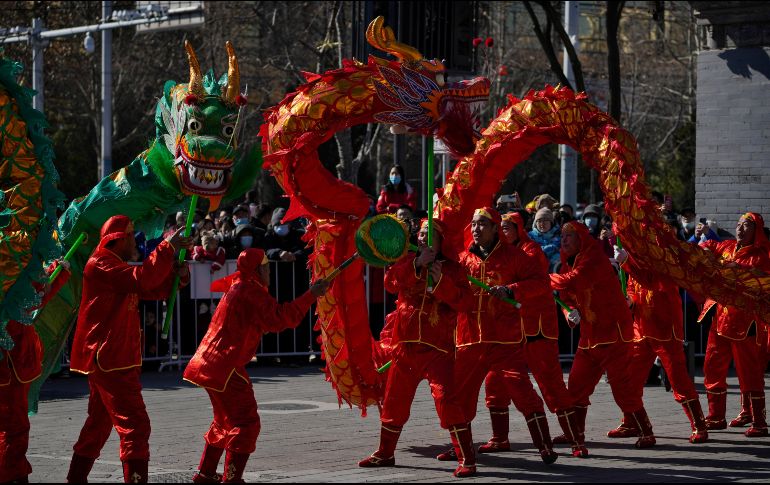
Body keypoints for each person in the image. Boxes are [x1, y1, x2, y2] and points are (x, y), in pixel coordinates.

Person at [432, 207, 558, 477]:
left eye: (482, 224)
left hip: (504, 342)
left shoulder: (515, 256)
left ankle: (545, 446)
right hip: (469, 341)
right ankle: (464, 455)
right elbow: (451, 292)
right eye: (473, 225)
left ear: (494, 228)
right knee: (459, 399)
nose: (476, 229)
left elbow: (540, 282)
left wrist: (511, 290)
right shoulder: (463, 259)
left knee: (523, 391)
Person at [183, 248, 329, 483]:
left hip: (209, 363)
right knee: (246, 423)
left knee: (225, 420)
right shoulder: (250, 290)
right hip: (225, 366)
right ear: (259, 269)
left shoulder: (240, 285)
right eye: (268, 267)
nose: (270, 271)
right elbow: (281, 318)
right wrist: (311, 295)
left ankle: (205, 474)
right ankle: (231, 479)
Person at [66, 215, 192, 483]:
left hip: (115, 356)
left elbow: (151, 288)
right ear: (118, 239)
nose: (135, 241)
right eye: (131, 236)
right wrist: (167, 248)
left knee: (97, 426)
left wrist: (178, 276)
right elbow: (142, 279)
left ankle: (75, 480)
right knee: (135, 426)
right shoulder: (100, 263)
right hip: (110, 357)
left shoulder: (115, 265)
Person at [358, 219, 467, 469]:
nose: (423, 239)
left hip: (437, 348)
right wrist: (418, 264)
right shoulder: (407, 261)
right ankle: (385, 453)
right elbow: (390, 283)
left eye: (430, 235)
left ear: (441, 241)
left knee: (446, 399)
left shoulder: (453, 269)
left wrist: (441, 282)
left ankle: (466, 457)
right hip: (405, 346)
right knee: (394, 399)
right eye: (421, 234)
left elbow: (464, 303)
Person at [479, 212, 588, 457]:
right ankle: (499, 438)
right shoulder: (499, 254)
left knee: (551, 385)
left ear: (519, 229)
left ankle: (576, 440)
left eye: (508, 227)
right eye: (501, 227)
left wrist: (509, 289)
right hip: (510, 332)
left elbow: (538, 285)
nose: (503, 232)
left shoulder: (529, 251)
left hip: (537, 328)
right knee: (495, 382)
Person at [550, 221, 656, 450]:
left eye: (570, 235)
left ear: (581, 238)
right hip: (589, 337)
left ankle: (646, 431)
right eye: (562, 236)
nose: (564, 240)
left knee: (623, 389)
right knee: (576, 388)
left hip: (614, 335)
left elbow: (573, 281)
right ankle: (575, 434)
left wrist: (541, 279)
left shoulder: (593, 258)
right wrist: (569, 312)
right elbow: (566, 298)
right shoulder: (570, 264)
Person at [611, 245, 709, 443]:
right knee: (630, 379)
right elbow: (633, 287)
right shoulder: (634, 259)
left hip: (665, 328)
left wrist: (626, 262)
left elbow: (654, 282)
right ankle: (631, 422)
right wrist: (629, 300)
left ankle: (699, 425)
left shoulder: (664, 257)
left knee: (678, 379)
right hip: (641, 328)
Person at [698, 212, 770, 437]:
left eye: (746, 226)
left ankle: (759, 421)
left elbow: (760, 282)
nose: (740, 229)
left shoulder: (761, 256)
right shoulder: (727, 246)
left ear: (756, 231)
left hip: (744, 323)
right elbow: (708, 245)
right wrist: (704, 243)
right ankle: (715, 417)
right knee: (712, 367)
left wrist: (739, 272)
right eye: (738, 224)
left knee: (749, 372)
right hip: (718, 319)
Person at [0, 260, 70, 484]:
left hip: (13, 360)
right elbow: (26, 300)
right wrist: (55, 275)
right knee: (14, 429)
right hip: (9, 362)